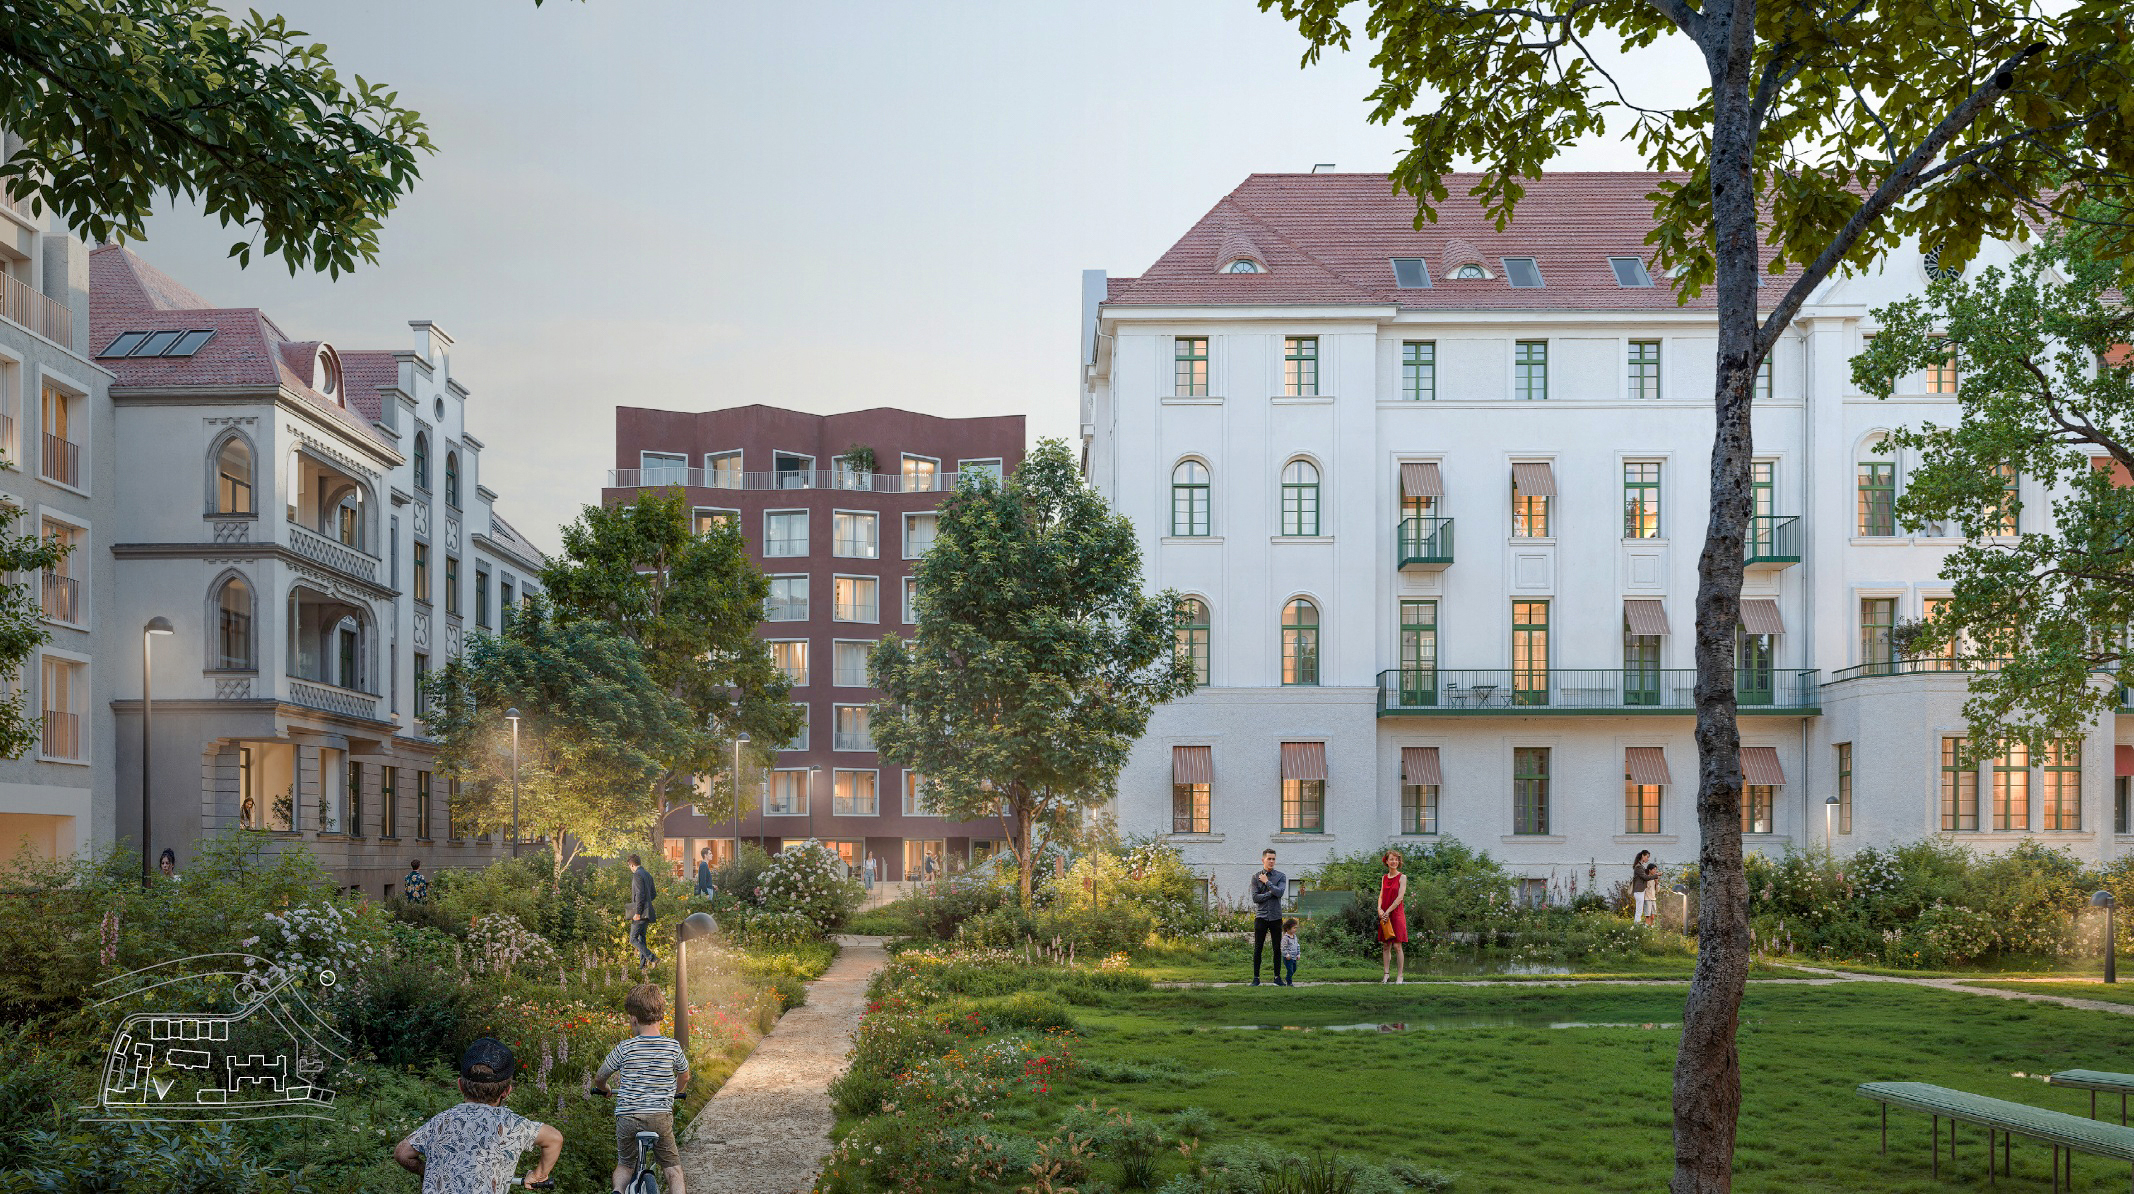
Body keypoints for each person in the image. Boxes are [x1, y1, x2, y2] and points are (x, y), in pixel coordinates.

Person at [393, 1037, 562, 1193]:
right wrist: (539, 1175)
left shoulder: (441, 1121)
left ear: (460, 1085)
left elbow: (402, 1153)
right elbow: (554, 1139)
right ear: (506, 1091)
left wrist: (428, 1169)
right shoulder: (512, 1125)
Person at [593, 984, 690, 1194]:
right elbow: (684, 1075)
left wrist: (605, 1088)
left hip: (628, 1117)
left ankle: (618, 1191)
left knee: (625, 1165)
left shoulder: (624, 1048)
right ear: (660, 1016)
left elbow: (600, 1077)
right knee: (673, 1170)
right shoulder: (673, 1047)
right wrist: (674, 1091)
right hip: (659, 1117)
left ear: (634, 1019)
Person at [1249, 848, 1286, 986]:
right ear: (1263, 860)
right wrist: (1270, 893)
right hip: (1261, 917)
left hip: (1276, 917)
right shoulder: (1255, 876)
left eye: (1273, 859)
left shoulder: (1281, 876)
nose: (1271, 861)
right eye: (1269, 858)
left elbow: (1280, 892)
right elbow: (1255, 898)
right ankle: (1256, 978)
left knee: (1277, 948)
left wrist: (1267, 882)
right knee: (1258, 948)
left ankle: (1277, 978)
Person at [1377, 849, 1409, 984]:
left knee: (1397, 946)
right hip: (1384, 914)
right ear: (1386, 861)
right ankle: (1386, 974)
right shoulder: (1384, 878)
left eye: (1396, 859)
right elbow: (1381, 895)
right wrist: (1379, 909)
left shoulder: (1402, 877)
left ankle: (1400, 976)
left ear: (1399, 862)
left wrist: (1387, 912)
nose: (1394, 861)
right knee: (1385, 946)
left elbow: (1400, 897)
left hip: (1396, 914)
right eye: (1391, 859)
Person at [626, 854, 657, 971]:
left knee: (633, 938)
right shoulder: (648, 875)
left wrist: (638, 912)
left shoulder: (637, 875)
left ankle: (652, 958)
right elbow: (653, 894)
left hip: (640, 913)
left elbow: (639, 894)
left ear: (632, 865)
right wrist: (647, 904)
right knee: (642, 937)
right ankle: (642, 966)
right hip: (647, 912)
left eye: (630, 866)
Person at [1629, 849, 1652, 921]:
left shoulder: (1640, 866)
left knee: (1639, 910)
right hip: (1639, 891)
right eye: (1647, 857)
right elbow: (1645, 877)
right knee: (1639, 910)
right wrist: (1656, 875)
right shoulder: (1638, 866)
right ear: (1643, 856)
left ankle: (1637, 926)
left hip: (1640, 891)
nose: (1648, 859)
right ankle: (1636, 927)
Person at [1279, 917, 1302, 986]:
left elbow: (1297, 945)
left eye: (1296, 928)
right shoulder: (1285, 938)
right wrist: (1286, 954)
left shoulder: (1295, 937)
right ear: (1288, 928)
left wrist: (1298, 954)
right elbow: (1283, 948)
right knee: (1290, 970)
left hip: (1294, 957)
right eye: (1294, 928)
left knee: (1294, 969)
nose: (1295, 929)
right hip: (1288, 958)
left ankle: (1288, 978)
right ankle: (1289, 982)